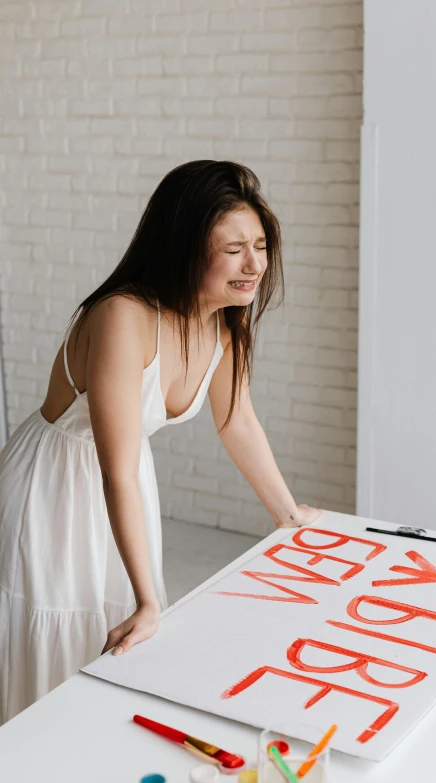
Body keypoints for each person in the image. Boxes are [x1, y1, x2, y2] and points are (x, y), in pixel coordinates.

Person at [0, 160, 323, 725]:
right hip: (56, 483)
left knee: (119, 624)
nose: (254, 266)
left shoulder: (222, 321)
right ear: (184, 247)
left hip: (124, 480)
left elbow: (237, 420)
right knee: (55, 626)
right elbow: (114, 469)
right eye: (233, 249)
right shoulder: (123, 316)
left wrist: (287, 515)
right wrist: (150, 598)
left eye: (261, 245)